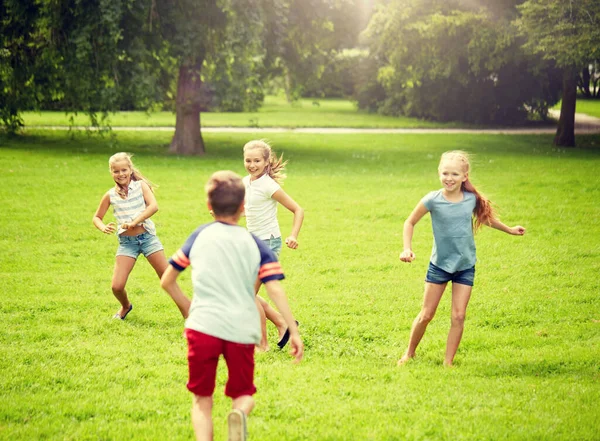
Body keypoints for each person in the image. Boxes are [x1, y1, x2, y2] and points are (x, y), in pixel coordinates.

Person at [160, 170, 303, 441]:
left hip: (202, 328)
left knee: (202, 401)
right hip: (240, 330)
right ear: (242, 207)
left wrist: (191, 310)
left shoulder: (199, 236)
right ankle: (239, 414)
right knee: (243, 395)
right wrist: (292, 331)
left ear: (208, 206)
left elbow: (167, 281)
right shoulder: (256, 244)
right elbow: (274, 289)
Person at [398, 150, 525, 367]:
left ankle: (448, 362)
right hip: (439, 265)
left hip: (465, 266)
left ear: (465, 176)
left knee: (458, 316)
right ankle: (409, 353)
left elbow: (487, 220)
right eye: (445, 173)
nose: (449, 178)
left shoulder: (470, 200)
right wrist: (406, 249)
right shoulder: (432, 200)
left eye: (455, 174)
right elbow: (409, 222)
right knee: (427, 314)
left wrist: (509, 230)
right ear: (439, 173)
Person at [242, 140, 304, 351]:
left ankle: (262, 343)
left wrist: (293, 235)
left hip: (268, 243)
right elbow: (248, 210)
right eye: (248, 160)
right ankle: (282, 323)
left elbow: (298, 210)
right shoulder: (246, 182)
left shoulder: (269, 185)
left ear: (266, 161)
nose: (252, 165)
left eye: (257, 160)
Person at [92, 152, 168, 320]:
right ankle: (125, 306)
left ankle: (191, 314)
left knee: (168, 279)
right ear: (111, 172)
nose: (121, 174)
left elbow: (153, 206)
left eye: (124, 170)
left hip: (147, 238)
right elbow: (96, 217)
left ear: (130, 169)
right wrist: (103, 226)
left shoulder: (140, 186)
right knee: (116, 287)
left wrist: (135, 221)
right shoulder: (110, 195)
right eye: (116, 171)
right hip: (127, 243)